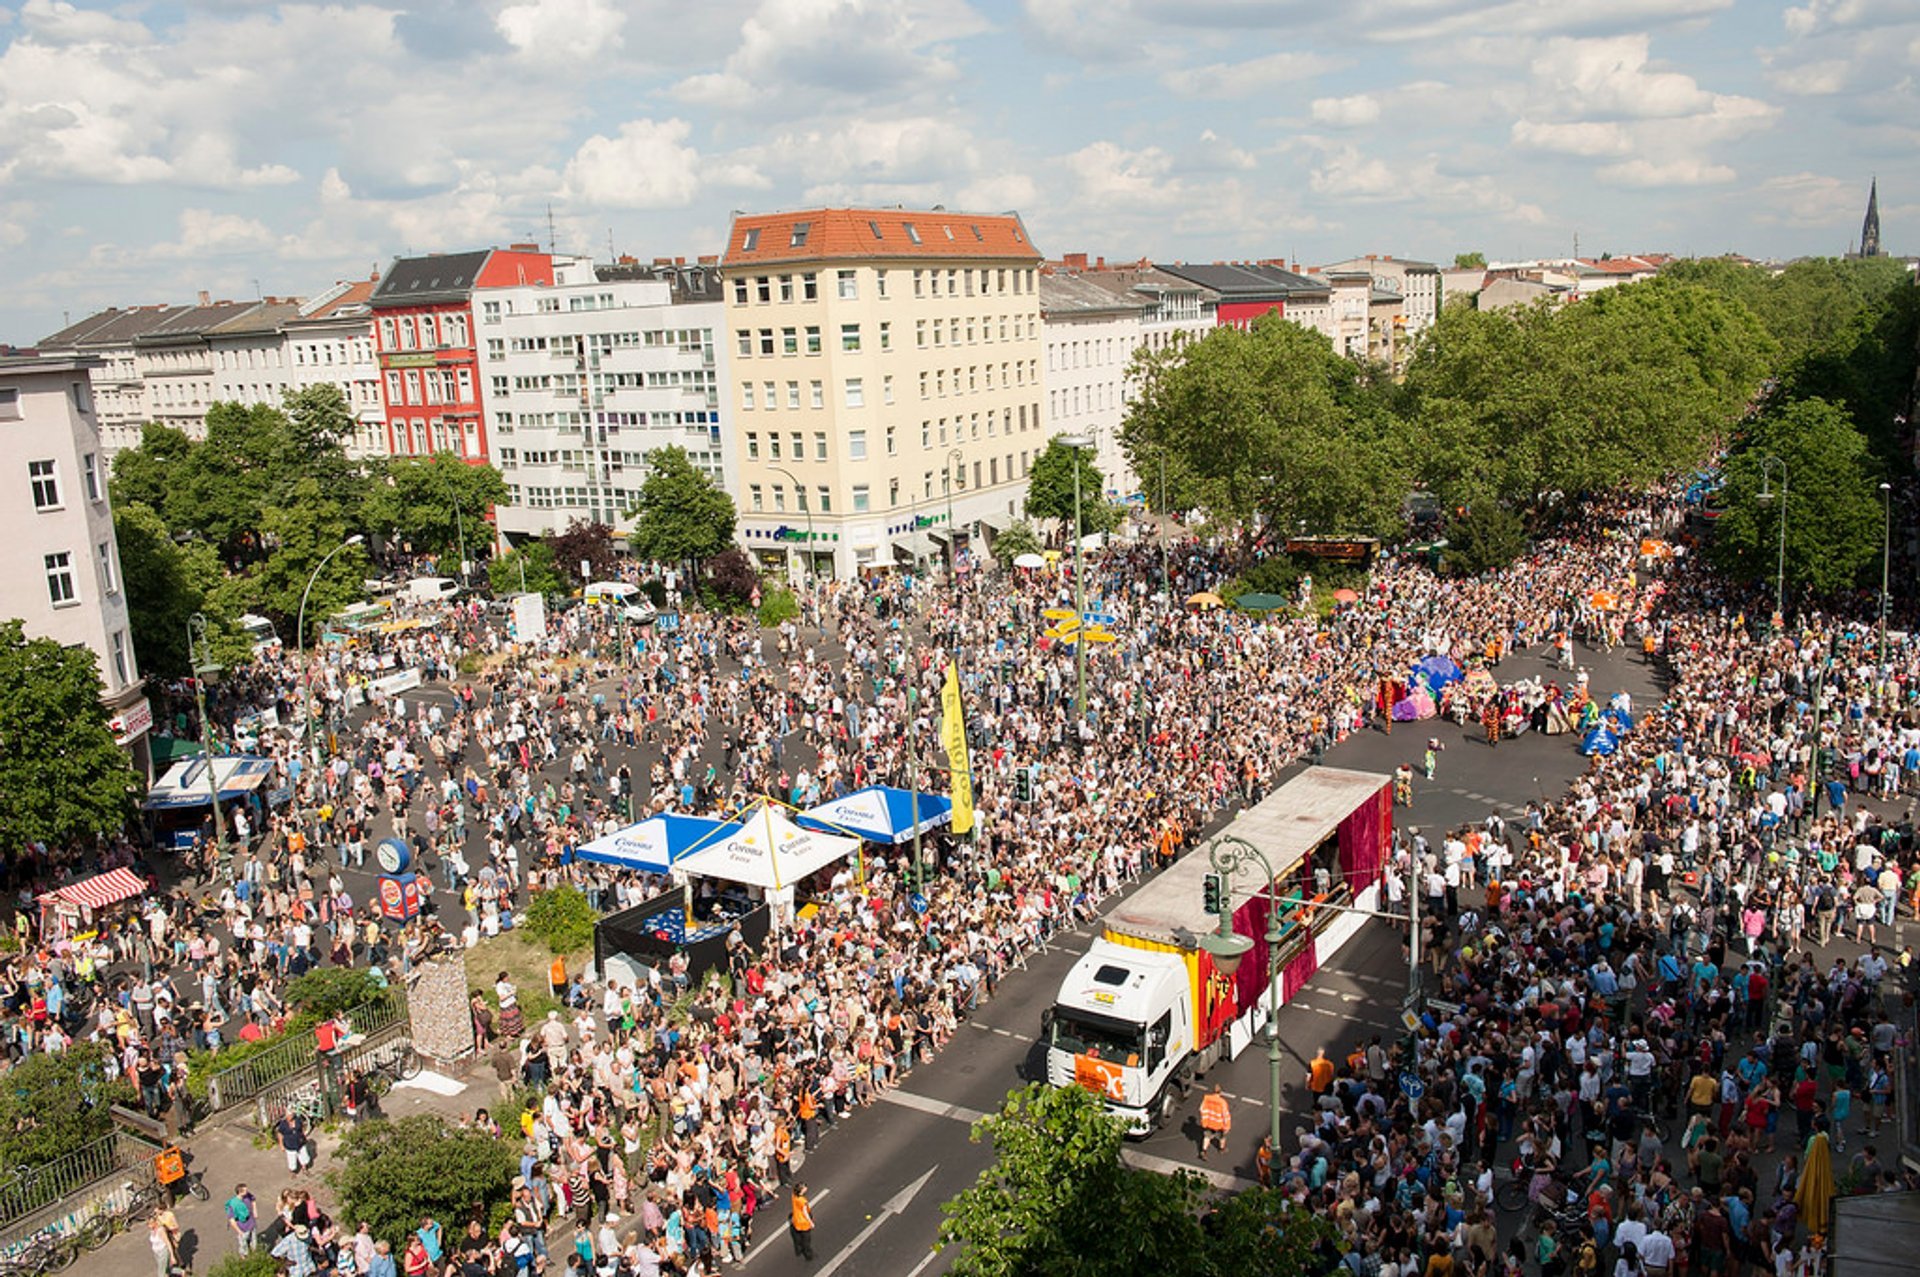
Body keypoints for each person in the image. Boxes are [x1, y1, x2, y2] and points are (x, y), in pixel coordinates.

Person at [1199, 1083, 1231, 1161]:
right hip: (1219, 1124)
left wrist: (1205, 1119)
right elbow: (1225, 1115)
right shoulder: (1222, 1102)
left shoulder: (1207, 1099)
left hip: (1209, 1123)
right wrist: (1227, 1126)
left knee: (1207, 1137)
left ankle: (1203, 1151)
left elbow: (1201, 1109)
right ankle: (1221, 1149)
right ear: (1220, 1092)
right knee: (1222, 1137)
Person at [225, 1183, 256, 1254]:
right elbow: (232, 1220)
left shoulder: (247, 1196)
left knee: (253, 1242)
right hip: (243, 1228)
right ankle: (244, 1258)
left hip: (252, 1224)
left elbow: (253, 1199)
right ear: (240, 1192)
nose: (247, 1192)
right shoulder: (233, 1204)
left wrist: (255, 1210)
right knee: (243, 1246)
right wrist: (239, 1231)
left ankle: (254, 1254)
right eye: (245, 1190)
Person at [790, 1183, 815, 1262]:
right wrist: (811, 1222)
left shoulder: (793, 1196)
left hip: (796, 1220)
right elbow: (805, 1212)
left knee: (798, 1237)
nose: (806, 1188)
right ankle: (808, 1254)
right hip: (803, 1222)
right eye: (804, 1188)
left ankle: (799, 1249)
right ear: (801, 1191)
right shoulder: (802, 1201)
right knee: (806, 1240)